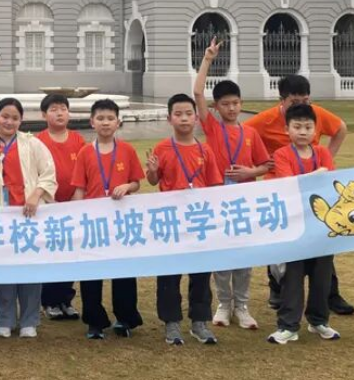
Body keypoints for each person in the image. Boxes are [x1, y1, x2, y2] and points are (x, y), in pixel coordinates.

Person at [245, 74, 354, 316]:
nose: (302, 107)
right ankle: (277, 287)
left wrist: (327, 157)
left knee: (320, 239)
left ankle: (330, 294)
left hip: (313, 187)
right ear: (282, 100)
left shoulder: (314, 113)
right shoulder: (264, 120)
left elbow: (340, 128)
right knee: (281, 240)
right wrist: (260, 164)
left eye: (306, 101)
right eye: (294, 102)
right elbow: (244, 137)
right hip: (280, 188)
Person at [194, 40, 271, 330]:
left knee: (243, 254)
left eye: (235, 103)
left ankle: (242, 306)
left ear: (241, 103)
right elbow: (197, 93)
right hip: (217, 196)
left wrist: (250, 171)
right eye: (225, 104)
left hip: (245, 198)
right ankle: (224, 304)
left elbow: (266, 165)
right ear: (216, 107)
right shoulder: (213, 128)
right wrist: (207, 60)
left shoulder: (250, 133)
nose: (231, 108)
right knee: (222, 252)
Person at [0, 98, 57, 339]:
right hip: (1, 216)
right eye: (5, 116)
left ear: (21, 120)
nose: (9, 122)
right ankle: (5, 318)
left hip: (29, 214)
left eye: (14, 118)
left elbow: (49, 174)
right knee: (4, 267)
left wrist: (36, 194)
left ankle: (30, 319)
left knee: (30, 267)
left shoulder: (33, 143)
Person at [147, 93, 221, 346]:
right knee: (169, 273)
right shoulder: (162, 148)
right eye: (178, 114)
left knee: (201, 273)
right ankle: (172, 322)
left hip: (198, 219)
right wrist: (153, 171)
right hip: (170, 220)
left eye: (188, 113)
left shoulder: (205, 149)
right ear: (169, 119)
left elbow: (215, 184)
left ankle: (200, 322)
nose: (184, 118)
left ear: (196, 117)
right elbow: (153, 181)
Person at [266, 104, 340, 345]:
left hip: (320, 225)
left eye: (308, 127)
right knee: (292, 276)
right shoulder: (282, 154)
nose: (303, 132)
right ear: (286, 130)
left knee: (322, 276)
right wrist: (315, 176)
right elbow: (289, 184)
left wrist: (318, 177)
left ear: (315, 130)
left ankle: (319, 320)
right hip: (294, 225)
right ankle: (288, 325)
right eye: (297, 127)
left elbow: (329, 182)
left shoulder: (322, 153)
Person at [71, 99, 144, 339]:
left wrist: (127, 186)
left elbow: (136, 182)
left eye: (110, 118)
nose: (105, 123)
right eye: (100, 118)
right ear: (92, 122)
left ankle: (125, 318)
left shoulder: (127, 150)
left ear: (118, 122)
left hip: (121, 220)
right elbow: (79, 188)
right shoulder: (85, 152)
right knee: (92, 273)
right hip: (93, 222)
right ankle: (94, 321)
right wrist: (75, 216)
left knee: (123, 271)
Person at [35, 92, 85, 320]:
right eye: (53, 109)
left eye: (63, 109)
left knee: (71, 253)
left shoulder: (78, 140)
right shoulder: (37, 142)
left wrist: (75, 200)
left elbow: (84, 173)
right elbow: (34, 174)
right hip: (47, 206)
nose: (59, 113)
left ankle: (66, 299)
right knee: (50, 254)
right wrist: (49, 201)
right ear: (44, 115)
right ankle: (49, 301)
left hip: (73, 205)